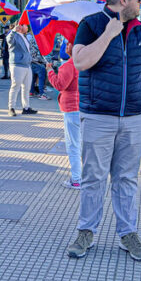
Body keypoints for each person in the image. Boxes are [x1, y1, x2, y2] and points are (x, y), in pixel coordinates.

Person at [66, 0, 141, 262]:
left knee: (127, 178)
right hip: (98, 117)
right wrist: (108, 34)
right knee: (93, 177)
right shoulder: (91, 24)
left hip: (133, 118)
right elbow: (80, 62)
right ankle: (86, 232)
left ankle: (128, 234)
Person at [45, 42, 81, 189]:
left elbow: (60, 85)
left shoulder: (69, 65)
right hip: (85, 107)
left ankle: (76, 179)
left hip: (72, 109)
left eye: (69, 44)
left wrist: (50, 71)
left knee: (73, 146)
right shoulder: (87, 63)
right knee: (84, 145)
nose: (66, 47)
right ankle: (86, 177)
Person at [7, 23, 37, 116]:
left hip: (27, 65)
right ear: (20, 26)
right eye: (25, 25)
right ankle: (11, 108)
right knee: (15, 87)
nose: (27, 27)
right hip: (17, 65)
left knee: (26, 88)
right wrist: (13, 31)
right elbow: (9, 40)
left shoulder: (24, 36)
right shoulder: (14, 35)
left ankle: (26, 107)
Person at [28, 34, 49, 99]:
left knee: (33, 79)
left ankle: (31, 92)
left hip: (32, 62)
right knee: (41, 79)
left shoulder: (31, 40)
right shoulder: (41, 40)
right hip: (39, 63)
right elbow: (43, 53)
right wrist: (47, 61)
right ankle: (41, 94)